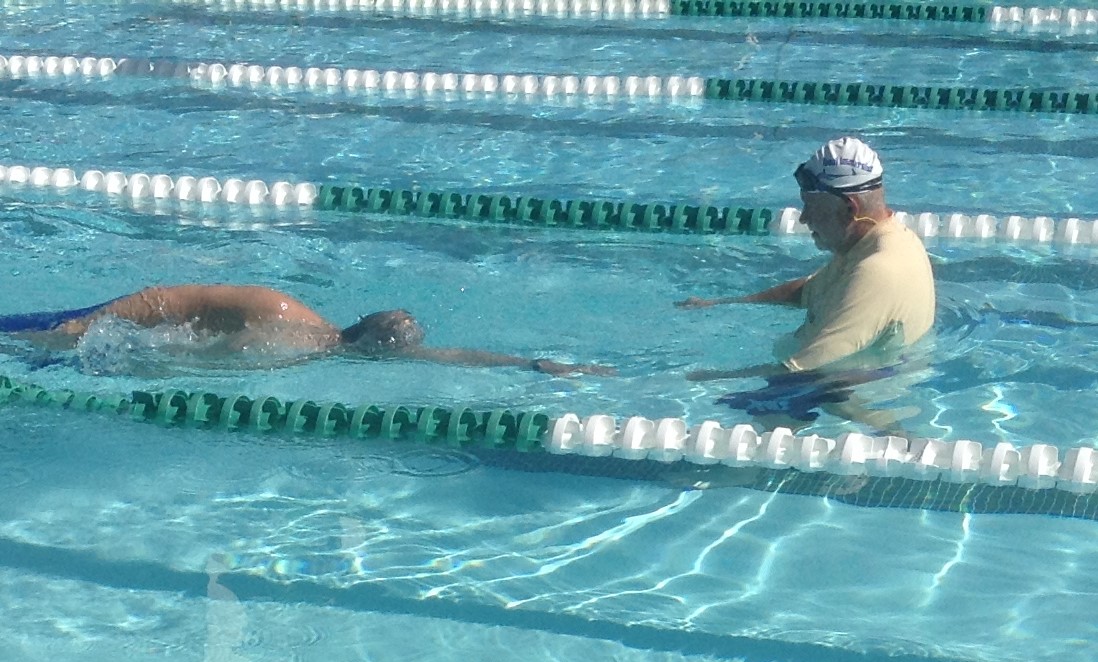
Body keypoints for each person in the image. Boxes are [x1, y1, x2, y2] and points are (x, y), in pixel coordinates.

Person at [676, 136, 936, 429]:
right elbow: (806, 291)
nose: (803, 218)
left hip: (845, 404)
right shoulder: (881, 241)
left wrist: (700, 379)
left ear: (850, 208)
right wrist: (723, 304)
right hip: (836, 389)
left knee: (720, 428)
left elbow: (802, 369)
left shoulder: (877, 270)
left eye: (810, 207)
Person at [1, 284, 615, 376]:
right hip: (119, 321)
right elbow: (176, 297)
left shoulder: (325, 351)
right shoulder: (285, 315)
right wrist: (88, 324)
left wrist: (530, 364)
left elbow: (443, 356)